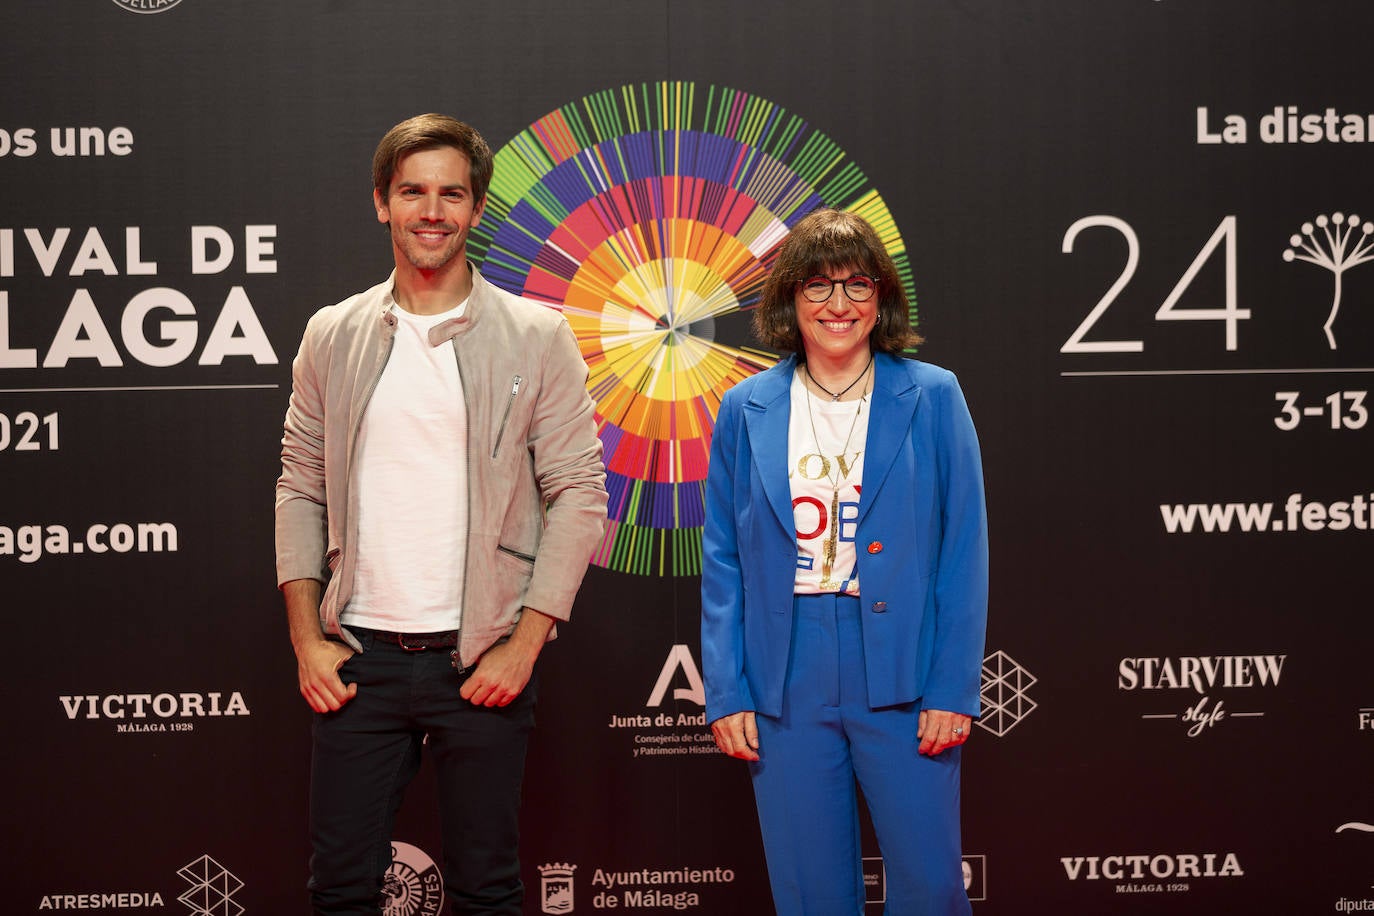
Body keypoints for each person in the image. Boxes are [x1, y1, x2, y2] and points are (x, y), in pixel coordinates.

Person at [275, 113, 607, 915]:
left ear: (475, 207)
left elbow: (579, 494)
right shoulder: (332, 334)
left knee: (487, 891)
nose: (433, 210)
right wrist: (306, 640)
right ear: (382, 202)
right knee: (340, 892)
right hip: (360, 660)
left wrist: (525, 644)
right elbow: (299, 486)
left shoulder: (538, 336)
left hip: (482, 659)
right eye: (413, 191)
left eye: (451, 193)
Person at [701, 208, 988, 915]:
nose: (838, 306)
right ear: (789, 300)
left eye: (857, 286)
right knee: (809, 894)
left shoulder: (934, 394)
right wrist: (728, 689)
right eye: (818, 287)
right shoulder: (745, 407)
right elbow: (724, 559)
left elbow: (964, 548)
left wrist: (953, 687)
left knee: (928, 887)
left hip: (903, 671)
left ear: (881, 298)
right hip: (787, 674)